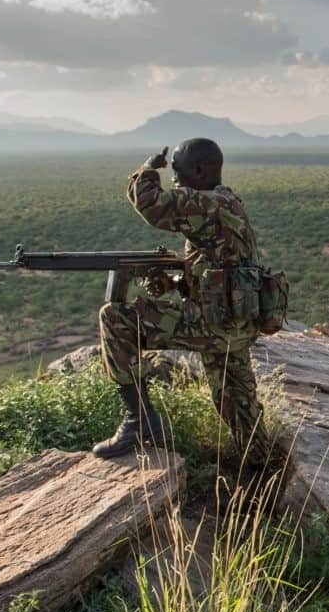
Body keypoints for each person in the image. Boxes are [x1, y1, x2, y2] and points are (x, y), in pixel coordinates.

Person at [92, 138, 267, 462]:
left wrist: (147, 169)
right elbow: (217, 270)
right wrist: (174, 282)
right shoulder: (227, 202)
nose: (174, 179)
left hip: (213, 325)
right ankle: (260, 473)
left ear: (199, 171)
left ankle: (139, 420)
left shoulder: (207, 203)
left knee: (114, 319)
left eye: (177, 171)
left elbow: (150, 203)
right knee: (237, 405)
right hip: (234, 324)